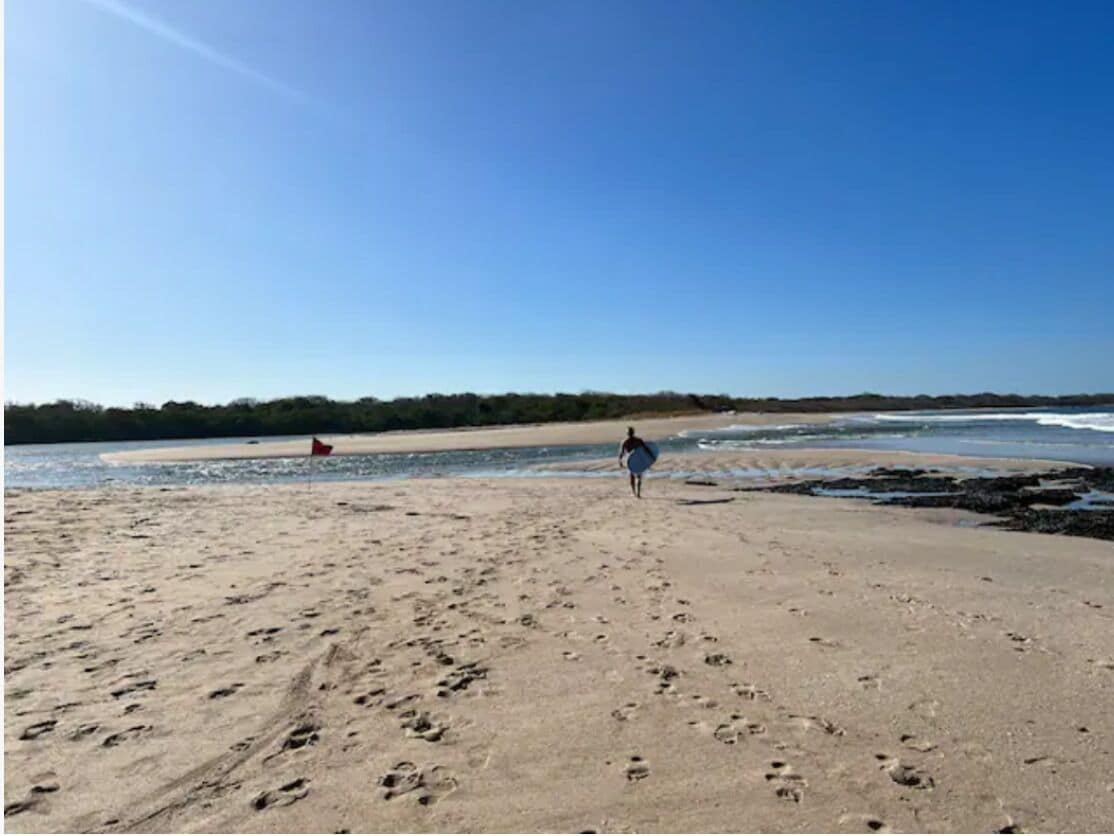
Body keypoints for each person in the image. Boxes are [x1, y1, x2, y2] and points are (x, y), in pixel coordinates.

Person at [618, 426, 655, 498]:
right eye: (629, 432)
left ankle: (636, 493)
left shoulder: (626, 442)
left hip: (633, 460)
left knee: (634, 477)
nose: (629, 433)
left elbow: (621, 453)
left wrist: (620, 461)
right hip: (634, 460)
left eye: (629, 432)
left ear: (627, 433)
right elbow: (646, 449)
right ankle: (637, 493)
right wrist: (651, 456)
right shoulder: (635, 441)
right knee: (637, 477)